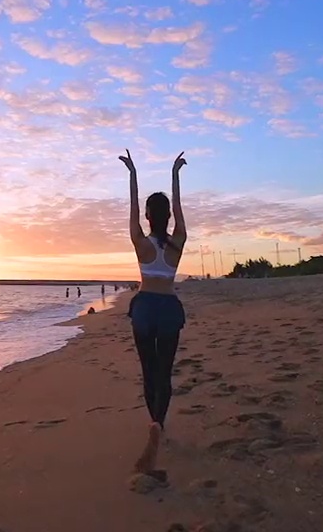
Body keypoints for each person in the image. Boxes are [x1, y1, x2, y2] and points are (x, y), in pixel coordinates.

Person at [118, 148, 187, 474]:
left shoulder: (140, 242)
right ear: (169, 219)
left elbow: (131, 208)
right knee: (165, 372)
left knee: (149, 372)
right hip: (169, 309)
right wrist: (175, 175)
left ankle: (153, 423)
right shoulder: (178, 242)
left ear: (147, 217)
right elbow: (178, 208)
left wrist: (132, 174)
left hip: (145, 308)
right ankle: (159, 422)